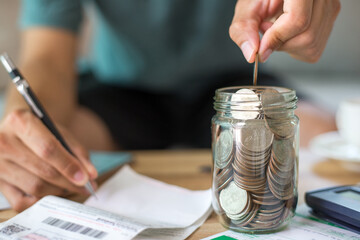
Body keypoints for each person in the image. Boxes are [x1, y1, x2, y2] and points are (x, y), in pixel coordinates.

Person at [0, 0, 339, 212]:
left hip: (229, 83)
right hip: (121, 89)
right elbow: (47, 55)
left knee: (328, 137)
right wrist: (26, 129)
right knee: (56, 149)